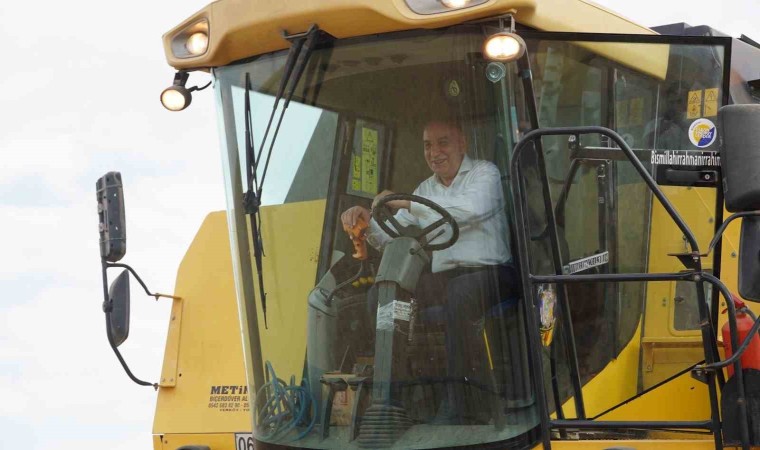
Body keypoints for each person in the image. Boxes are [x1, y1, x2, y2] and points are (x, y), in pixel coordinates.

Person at [340, 119, 519, 424]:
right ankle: (395, 398)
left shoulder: (485, 174)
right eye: (427, 145)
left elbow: (470, 210)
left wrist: (406, 202)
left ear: (462, 143)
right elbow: (394, 235)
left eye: (442, 143)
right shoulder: (425, 188)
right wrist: (367, 225)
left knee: (459, 293)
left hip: (495, 273)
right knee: (383, 295)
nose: (434, 152)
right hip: (448, 278)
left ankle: (460, 404)